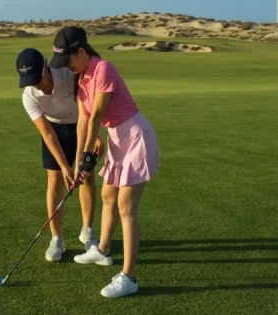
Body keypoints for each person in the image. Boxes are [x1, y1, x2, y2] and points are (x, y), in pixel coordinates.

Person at [48, 27, 159, 298]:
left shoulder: (103, 69)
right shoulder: (83, 79)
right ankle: (103, 251)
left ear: (82, 52)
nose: (67, 68)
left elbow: (98, 112)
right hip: (117, 141)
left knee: (125, 207)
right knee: (108, 195)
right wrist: (78, 163)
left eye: (69, 61)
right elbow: (84, 121)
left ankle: (129, 277)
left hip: (134, 137)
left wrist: (88, 155)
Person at [16, 48, 102, 262]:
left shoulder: (66, 73)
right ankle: (57, 239)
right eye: (30, 80)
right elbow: (47, 132)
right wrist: (64, 167)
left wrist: (96, 133)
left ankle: (87, 232)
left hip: (80, 124)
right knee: (54, 181)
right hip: (55, 131)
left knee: (85, 176)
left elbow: (89, 103)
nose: (36, 84)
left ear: (46, 68)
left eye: (37, 78)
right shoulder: (29, 96)